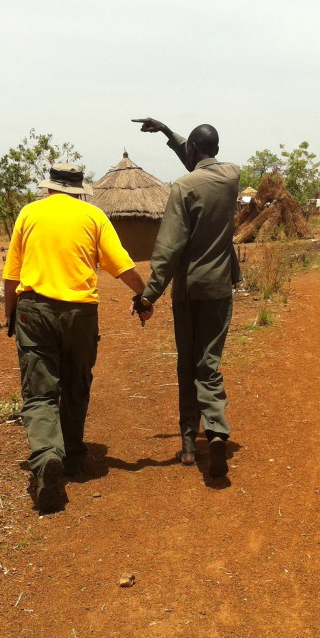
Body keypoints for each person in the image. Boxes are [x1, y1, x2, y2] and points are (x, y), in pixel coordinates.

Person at [3, 163, 151, 512]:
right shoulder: (94, 216)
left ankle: (45, 457)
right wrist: (144, 297)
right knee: (76, 384)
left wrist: (9, 312)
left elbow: (11, 274)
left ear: (50, 186)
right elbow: (123, 266)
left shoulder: (29, 214)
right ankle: (71, 457)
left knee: (39, 392)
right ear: (78, 188)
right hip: (80, 315)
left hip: (34, 310)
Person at [131, 117, 240, 478]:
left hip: (189, 292)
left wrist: (149, 295)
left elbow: (168, 248)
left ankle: (190, 444)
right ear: (217, 150)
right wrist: (169, 134)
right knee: (208, 365)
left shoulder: (182, 187)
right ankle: (218, 432)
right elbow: (202, 166)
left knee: (186, 364)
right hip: (220, 288)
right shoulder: (230, 177)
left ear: (191, 150)